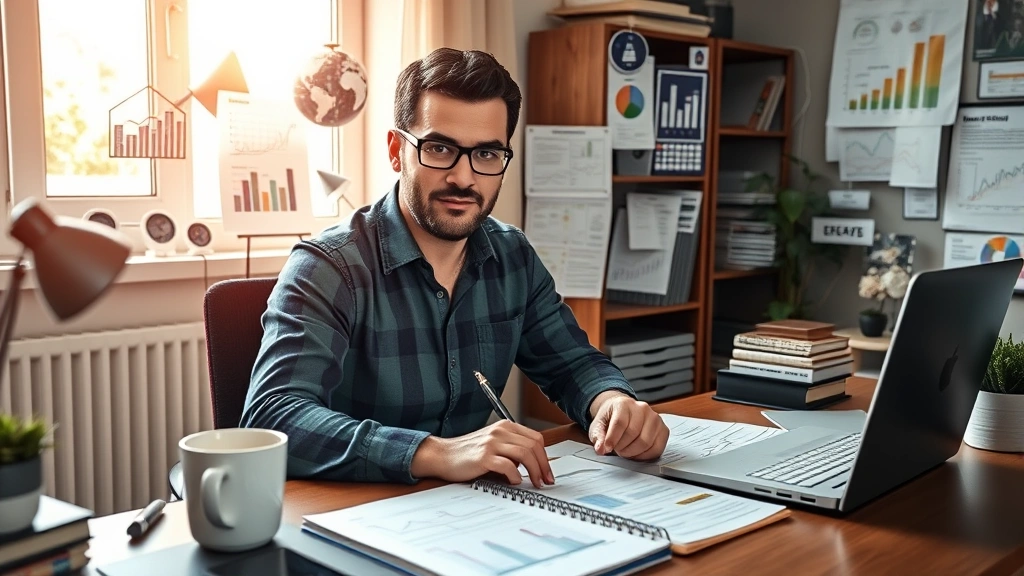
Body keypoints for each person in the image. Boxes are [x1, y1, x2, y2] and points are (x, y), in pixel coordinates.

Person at [240, 47, 669, 488]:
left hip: (472, 510)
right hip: (357, 511)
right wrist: (433, 452)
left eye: (486, 155)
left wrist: (612, 401)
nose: (464, 178)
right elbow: (273, 417)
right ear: (395, 151)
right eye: (440, 148)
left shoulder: (512, 256)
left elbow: (572, 364)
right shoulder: (330, 266)